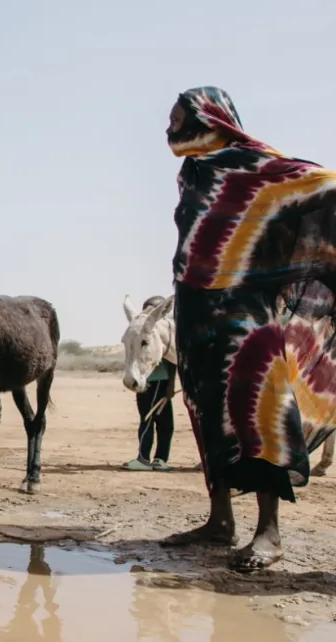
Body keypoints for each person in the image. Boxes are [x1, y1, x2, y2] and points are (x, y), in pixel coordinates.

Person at [161, 87, 336, 571]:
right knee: (208, 416)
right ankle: (220, 522)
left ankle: (269, 534)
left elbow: (323, 183)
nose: (168, 129)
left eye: (176, 119)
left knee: (261, 419)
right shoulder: (192, 173)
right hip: (195, 314)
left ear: (209, 119)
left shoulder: (255, 166)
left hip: (247, 319)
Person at [123, 296, 176, 473]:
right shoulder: (143, 334)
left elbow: (172, 362)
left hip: (157, 382)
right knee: (155, 421)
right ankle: (155, 459)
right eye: (147, 309)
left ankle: (147, 458)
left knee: (154, 421)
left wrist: (170, 385)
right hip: (148, 382)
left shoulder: (159, 336)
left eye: (153, 309)